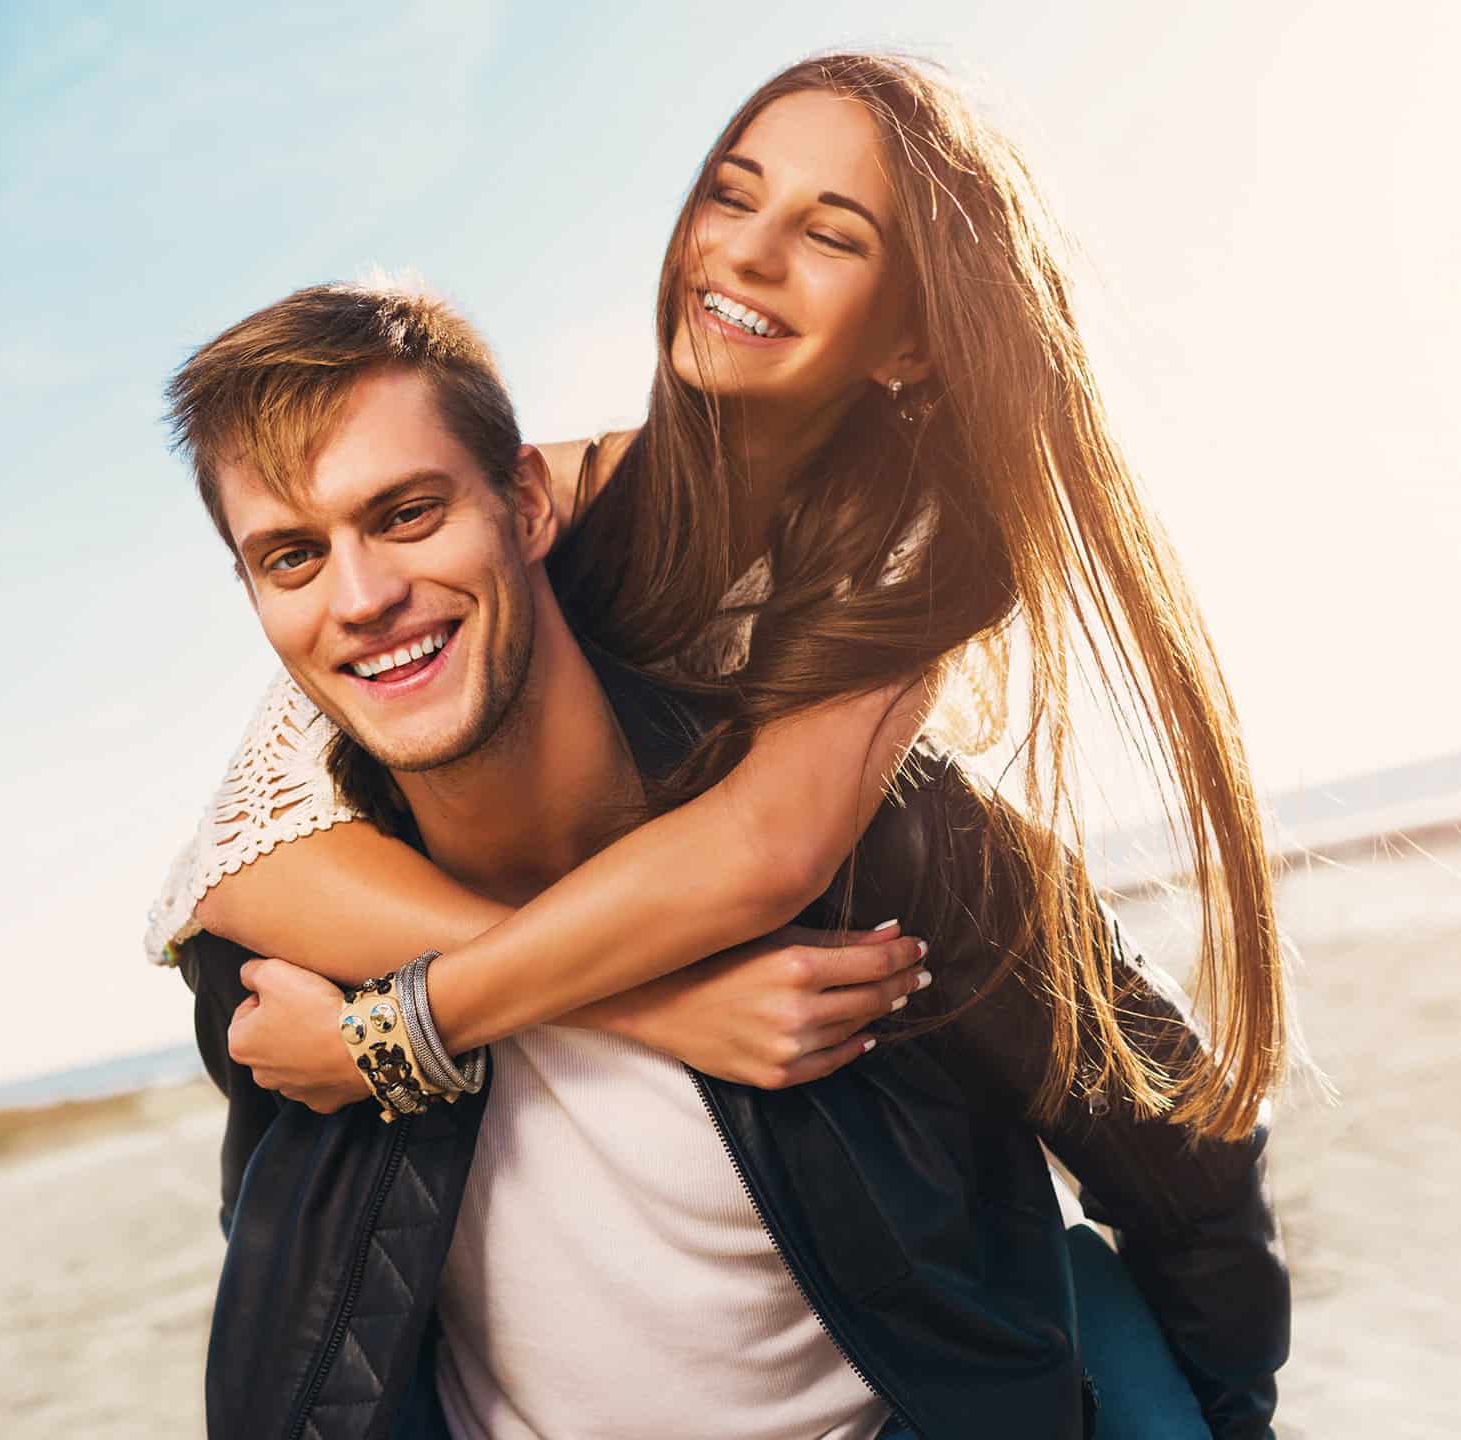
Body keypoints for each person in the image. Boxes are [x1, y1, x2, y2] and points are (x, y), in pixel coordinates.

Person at [164, 279, 1288, 1440]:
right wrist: (620, 1007)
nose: (362, 598)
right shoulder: (280, 972)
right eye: (292, 557)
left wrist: (1223, 1417)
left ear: (528, 505)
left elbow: (1180, 1154)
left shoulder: (883, 835)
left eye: (407, 514)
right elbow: (317, 1296)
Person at [148, 51, 1286, 1154]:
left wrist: (396, 1030)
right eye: (728, 199)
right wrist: (657, 1009)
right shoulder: (527, 508)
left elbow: (762, 850)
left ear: (911, 340)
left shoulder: (931, 544)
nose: (746, 255)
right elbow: (249, 863)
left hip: (932, 927)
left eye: (831, 234)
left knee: (1163, 1112)